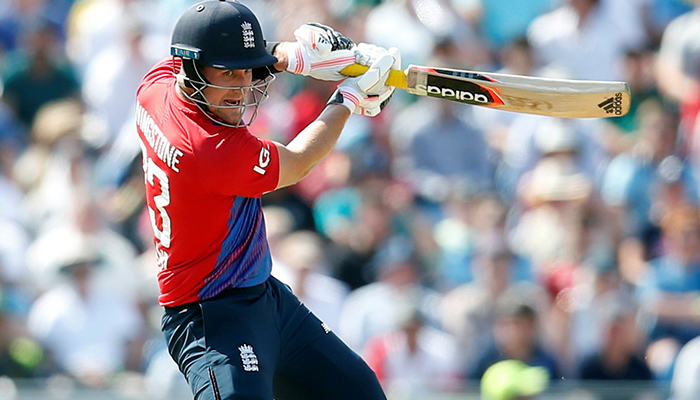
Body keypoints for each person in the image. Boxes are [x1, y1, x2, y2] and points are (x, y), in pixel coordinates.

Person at [135, 1, 399, 399]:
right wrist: (348, 97)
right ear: (192, 71)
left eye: (247, 71)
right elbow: (298, 162)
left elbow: (229, 60)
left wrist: (293, 56)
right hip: (210, 318)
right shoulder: (212, 149)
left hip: (266, 300)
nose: (242, 87)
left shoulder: (156, 86)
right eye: (228, 74)